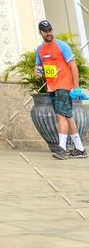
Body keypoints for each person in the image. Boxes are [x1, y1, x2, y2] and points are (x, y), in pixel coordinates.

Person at [35, 19, 87, 159]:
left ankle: (62, 149)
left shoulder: (62, 46)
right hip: (52, 88)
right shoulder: (40, 50)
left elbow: (73, 66)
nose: (49, 33)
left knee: (60, 115)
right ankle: (80, 149)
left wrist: (75, 87)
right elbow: (38, 66)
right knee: (67, 116)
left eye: (50, 30)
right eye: (45, 31)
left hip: (64, 86)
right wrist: (38, 71)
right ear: (41, 33)